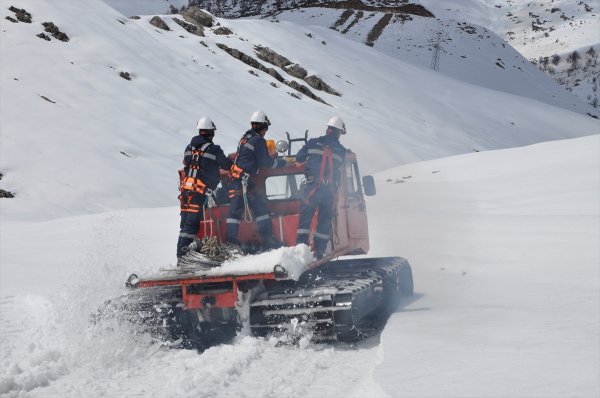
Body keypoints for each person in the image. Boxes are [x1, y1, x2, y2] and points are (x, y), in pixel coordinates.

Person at [225, 110, 288, 249]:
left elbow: (250, 158)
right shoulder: (258, 140)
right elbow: (266, 162)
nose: (266, 131)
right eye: (266, 128)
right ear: (262, 127)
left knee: (260, 207)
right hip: (241, 182)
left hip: (243, 181)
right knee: (235, 212)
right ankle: (230, 244)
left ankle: (267, 239)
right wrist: (282, 163)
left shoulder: (245, 137)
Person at [177, 116, 233, 262]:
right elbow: (226, 165)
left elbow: (190, 165)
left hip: (185, 193)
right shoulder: (214, 149)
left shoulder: (188, 148)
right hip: (198, 193)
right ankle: (183, 257)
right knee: (191, 225)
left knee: (185, 225)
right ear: (211, 133)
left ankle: (183, 255)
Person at [295, 116, 347, 259]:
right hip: (329, 192)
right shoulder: (341, 151)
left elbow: (298, 162)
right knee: (324, 222)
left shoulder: (312, 143)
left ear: (327, 129)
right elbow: (339, 168)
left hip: (311, 188)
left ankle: (301, 251)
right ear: (339, 133)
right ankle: (319, 251)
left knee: (305, 221)